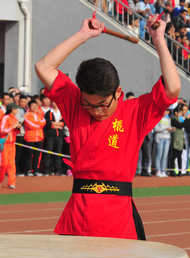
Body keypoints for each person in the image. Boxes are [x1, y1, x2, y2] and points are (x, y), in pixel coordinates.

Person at [34, 13, 179, 239]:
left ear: (118, 93)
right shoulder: (75, 104)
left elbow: (172, 89)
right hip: (78, 215)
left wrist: (158, 39)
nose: (95, 110)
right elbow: (43, 67)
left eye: (102, 104)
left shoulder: (136, 111)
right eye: (89, 104)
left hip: (118, 217)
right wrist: (83, 35)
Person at [0, 103, 20, 188]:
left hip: (12, 143)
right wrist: (13, 126)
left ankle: (12, 182)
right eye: (16, 108)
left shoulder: (15, 118)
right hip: (4, 143)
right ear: (12, 109)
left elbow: (16, 132)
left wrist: (18, 128)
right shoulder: (5, 117)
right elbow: (2, 130)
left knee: (12, 164)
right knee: (3, 164)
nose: (17, 110)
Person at [23, 99, 46, 176]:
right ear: (29, 107)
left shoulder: (39, 115)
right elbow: (29, 125)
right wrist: (38, 126)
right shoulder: (27, 115)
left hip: (39, 137)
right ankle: (28, 170)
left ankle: (36, 169)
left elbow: (43, 122)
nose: (35, 107)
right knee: (28, 155)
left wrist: (37, 125)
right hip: (30, 138)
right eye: (33, 105)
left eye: (36, 105)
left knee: (37, 155)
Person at [43, 100, 66, 176]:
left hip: (59, 136)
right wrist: (59, 125)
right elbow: (49, 124)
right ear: (51, 103)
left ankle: (58, 170)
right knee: (48, 153)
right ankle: (47, 170)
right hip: (50, 136)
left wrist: (55, 123)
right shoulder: (48, 113)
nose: (55, 103)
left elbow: (64, 123)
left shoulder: (62, 112)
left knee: (58, 153)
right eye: (53, 102)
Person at [153, 108, 172, 177]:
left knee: (165, 156)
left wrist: (171, 129)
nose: (167, 112)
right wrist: (165, 128)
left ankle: (163, 171)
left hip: (167, 138)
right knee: (159, 155)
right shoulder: (157, 118)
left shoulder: (168, 119)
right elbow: (156, 129)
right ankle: (158, 171)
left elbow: (169, 127)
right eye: (166, 110)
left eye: (168, 111)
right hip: (160, 138)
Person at [169, 104, 186, 176]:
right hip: (176, 140)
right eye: (180, 112)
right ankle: (172, 171)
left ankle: (180, 171)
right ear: (176, 112)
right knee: (174, 156)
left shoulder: (178, 119)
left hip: (180, 140)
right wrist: (187, 119)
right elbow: (180, 125)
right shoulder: (173, 119)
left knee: (179, 157)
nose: (181, 113)